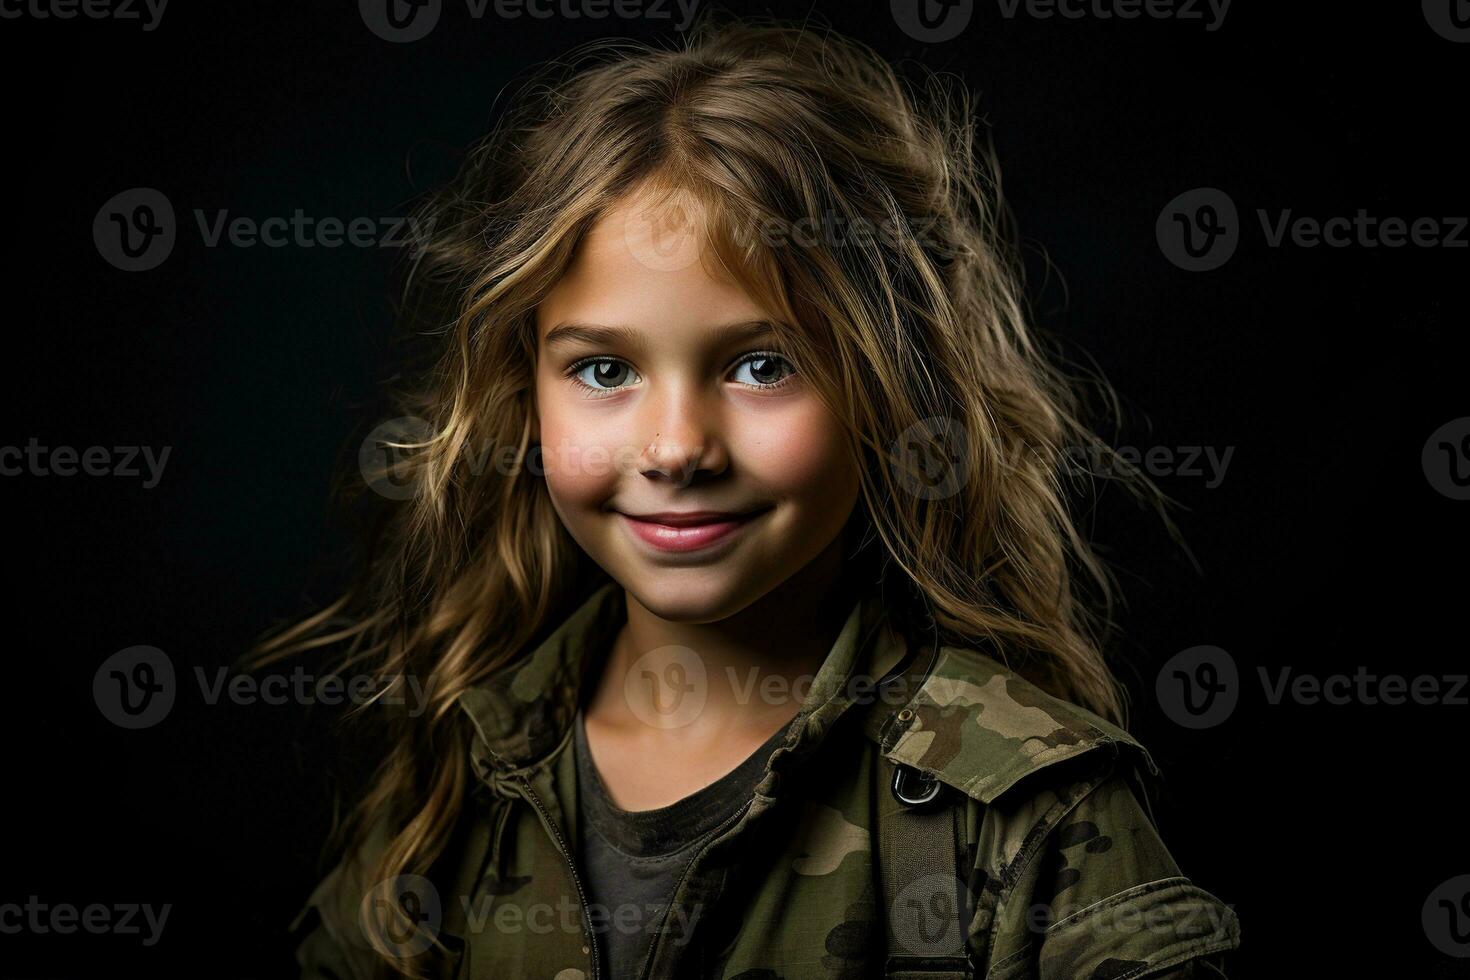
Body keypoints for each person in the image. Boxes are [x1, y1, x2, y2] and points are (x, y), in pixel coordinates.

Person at [259, 12, 1241, 978]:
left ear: (885, 389)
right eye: (603, 370)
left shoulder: (1029, 817)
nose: (678, 446)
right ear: (527, 394)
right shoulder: (457, 777)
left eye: (763, 364)